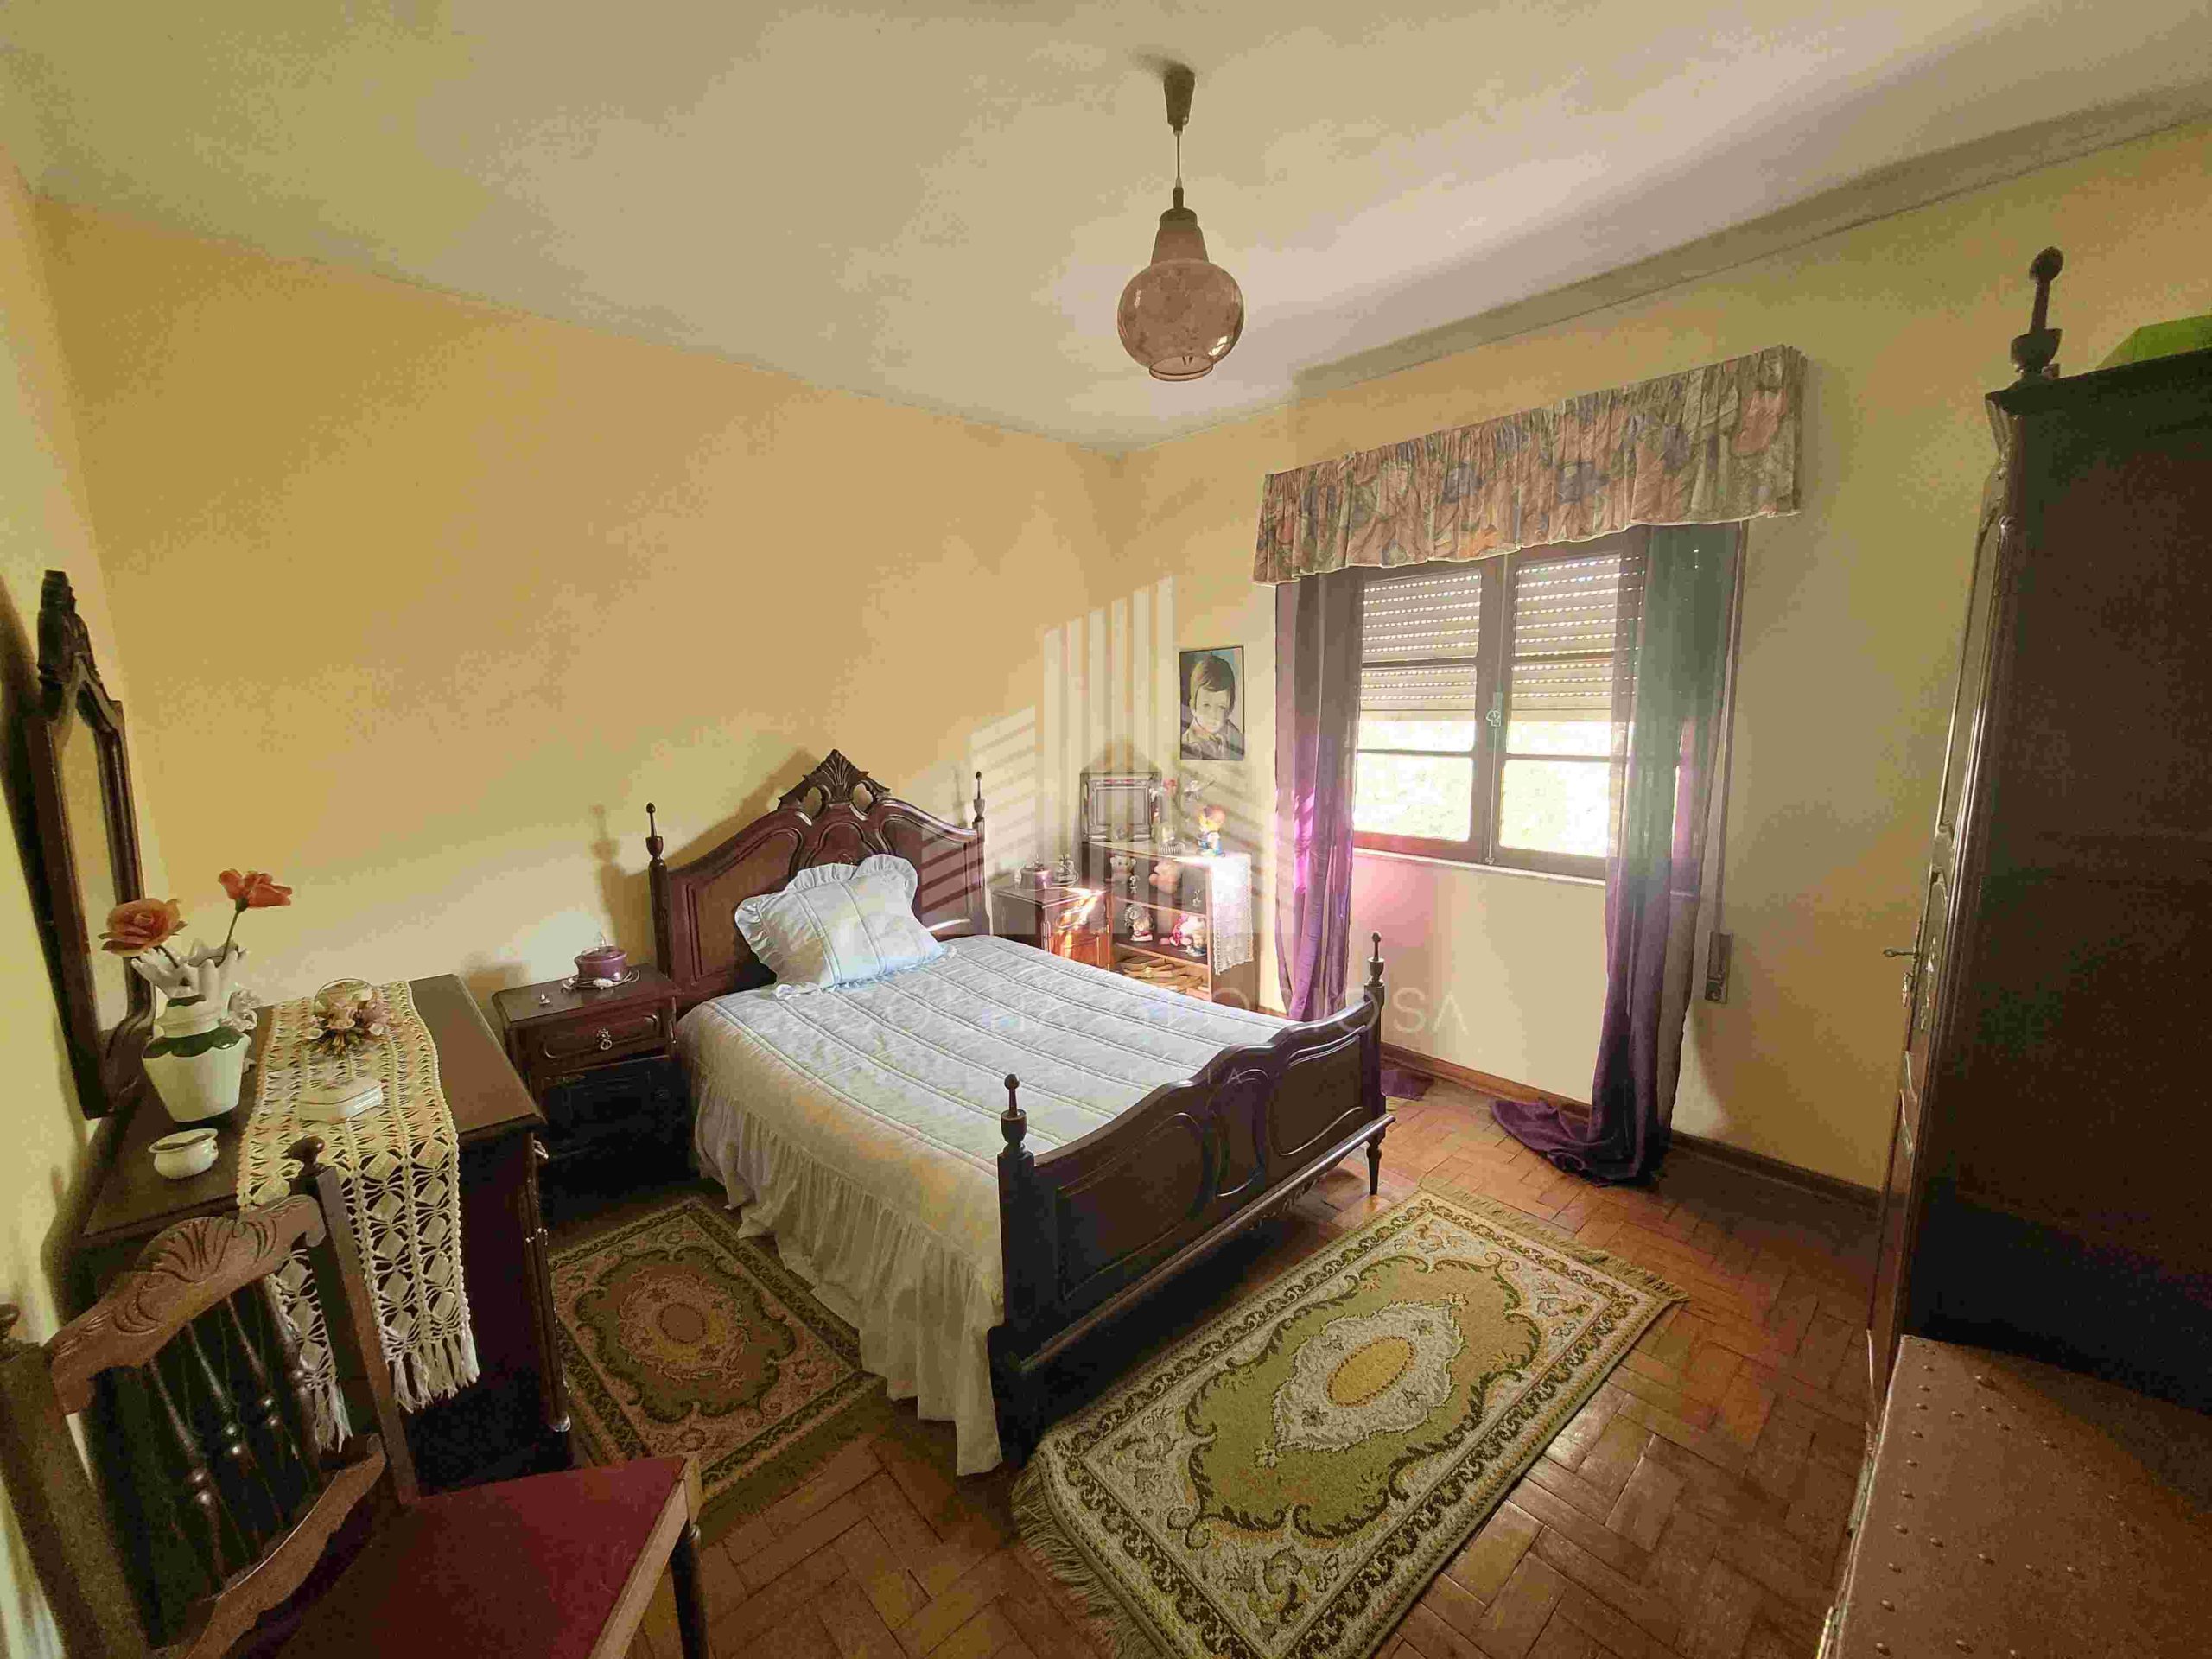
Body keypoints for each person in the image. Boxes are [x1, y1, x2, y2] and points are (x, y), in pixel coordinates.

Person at [1180, 652, 1243, 760]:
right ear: (1193, 707)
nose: (1213, 715)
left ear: (1230, 709)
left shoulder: (1236, 737)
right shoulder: (1187, 746)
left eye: (1221, 707)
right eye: (1206, 705)